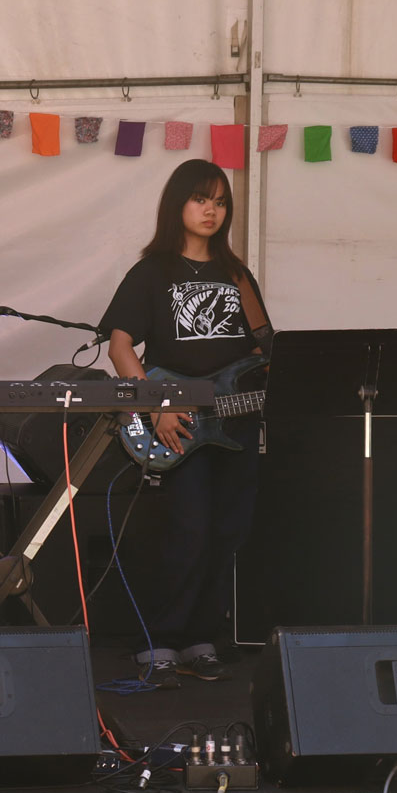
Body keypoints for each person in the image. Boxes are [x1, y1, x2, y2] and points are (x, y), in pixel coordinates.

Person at [101, 158, 271, 690]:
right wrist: (156, 404)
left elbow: (264, 348)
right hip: (177, 420)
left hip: (235, 423)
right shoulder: (151, 272)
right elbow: (120, 344)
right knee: (188, 529)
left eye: (220, 202)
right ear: (178, 204)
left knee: (229, 532)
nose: (211, 210)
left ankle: (203, 638)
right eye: (201, 199)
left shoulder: (238, 275)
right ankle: (158, 639)